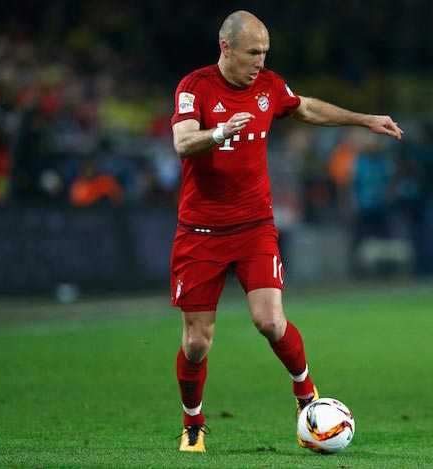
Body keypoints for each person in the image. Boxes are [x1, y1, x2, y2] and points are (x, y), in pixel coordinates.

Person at [170, 10, 403, 452]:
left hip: (255, 225)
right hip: (199, 231)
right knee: (197, 343)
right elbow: (182, 142)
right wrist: (218, 132)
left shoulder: (268, 87)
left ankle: (305, 396)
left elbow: (305, 107)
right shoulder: (194, 87)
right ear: (226, 48)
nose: (261, 61)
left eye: (265, 52)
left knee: (270, 320)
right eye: (253, 52)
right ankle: (193, 422)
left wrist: (364, 119)